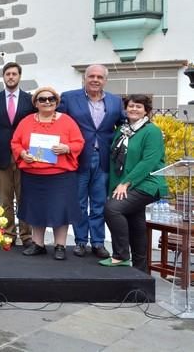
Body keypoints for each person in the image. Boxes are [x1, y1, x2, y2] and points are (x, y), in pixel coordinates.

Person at [57, 65, 125, 259]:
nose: (95, 80)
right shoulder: (69, 98)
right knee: (78, 202)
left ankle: (97, 243)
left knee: (99, 203)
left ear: (105, 80)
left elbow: (123, 124)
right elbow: (59, 123)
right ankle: (80, 241)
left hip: (104, 157)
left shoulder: (115, 101)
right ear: (84, 78)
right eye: (92, 76)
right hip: (77, 157)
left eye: (100, 77)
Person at [11, 87, 85, 260]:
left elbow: (79, 142)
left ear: (56, 102)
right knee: (36, 210)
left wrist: (67, 148)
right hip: (33, 175)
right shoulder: (26, 121)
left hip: (61, 175)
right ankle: (38, 244)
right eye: (42, 99)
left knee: (61, 210)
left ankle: (60, 245)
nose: (47, 102)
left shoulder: (67, 121)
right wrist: (22, 154)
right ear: (36, 103)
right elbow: (15, 142)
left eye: (51, 99)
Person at [103, 94, 168, 270]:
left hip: (148, 183)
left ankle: (121, 254)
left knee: (112, 209)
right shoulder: (123, 130)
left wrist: (126, 183)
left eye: (139, 106)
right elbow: (115, 161)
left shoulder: (152, 131)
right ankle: (141, 270)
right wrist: (116, 187)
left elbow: (149, 162)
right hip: (127, 184)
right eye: (131, 106)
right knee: (135, 222)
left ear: (146, 111)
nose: (133, 109)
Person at [0, 63, 36, 247]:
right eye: (8, 74)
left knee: (25, 198)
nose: (11, 77)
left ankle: (26, 235)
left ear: (19, 76)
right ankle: (8, 234)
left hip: (25, 156)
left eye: (14, 74)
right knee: (5, 199)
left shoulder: (30, 100)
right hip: (2, 155)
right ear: (3, 77)